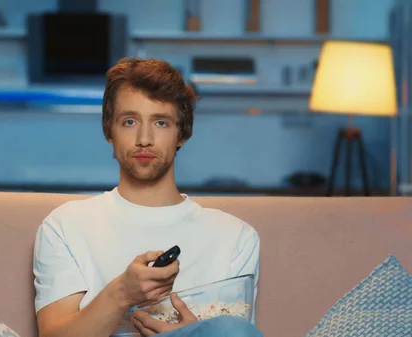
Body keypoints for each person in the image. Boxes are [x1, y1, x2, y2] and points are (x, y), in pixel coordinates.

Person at [33, 58, 261, 337]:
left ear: (182, 134)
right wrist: (122, 293)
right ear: (109, 132)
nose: (144, 139)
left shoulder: (236, 238)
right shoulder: (65, 226)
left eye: (161, 122)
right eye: (129, 121)